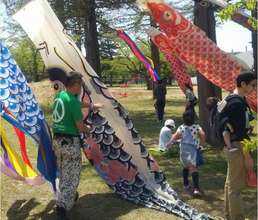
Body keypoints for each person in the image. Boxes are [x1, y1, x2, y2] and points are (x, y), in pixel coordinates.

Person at [52, 71, 102, 220]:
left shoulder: (59, 96)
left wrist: (91, 106)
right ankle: (62, 208)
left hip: (57, 142)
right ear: (75, 85)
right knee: (72, 176)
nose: (81, 88)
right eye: (80, 85)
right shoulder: (72, 101)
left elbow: (75, 104)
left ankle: (68, 197)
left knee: (63, 172)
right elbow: (80, 126)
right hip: (69, 143)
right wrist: (90, 131)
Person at [219, 72, 256, 220]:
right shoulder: (237, 104)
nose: (255, 88)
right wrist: (247, 156)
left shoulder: (230, 98)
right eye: (253, 85)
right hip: (237, 145)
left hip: (230, 146)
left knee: (230, 182)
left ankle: (229, 214)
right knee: (236, 187)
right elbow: (240, 134)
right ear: (243, 84)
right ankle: (237, 217)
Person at [168, 111, 205, 196]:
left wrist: (170, 142)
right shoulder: (197, 127)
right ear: (193, 119)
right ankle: (196, 188)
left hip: (183, 150)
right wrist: (202, 145)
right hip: (193, 150)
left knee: (185, 166)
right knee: (193, 168)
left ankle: (186, 184)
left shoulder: (181, 127)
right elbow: (203, 134)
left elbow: (175, 136)